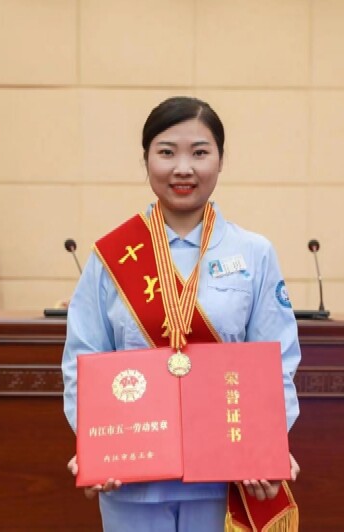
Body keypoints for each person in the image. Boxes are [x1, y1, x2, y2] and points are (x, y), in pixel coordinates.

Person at [62, 96, 301, 531]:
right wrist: (95, 447)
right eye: (167, 152)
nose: (183, 168)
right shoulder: (111, 256)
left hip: (225, 476)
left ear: (221, 160)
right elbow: (82, 359)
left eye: (200, 153)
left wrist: (269, 445)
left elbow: (277, 361)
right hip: (132, 478)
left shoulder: (254, 253)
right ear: (146, 159)